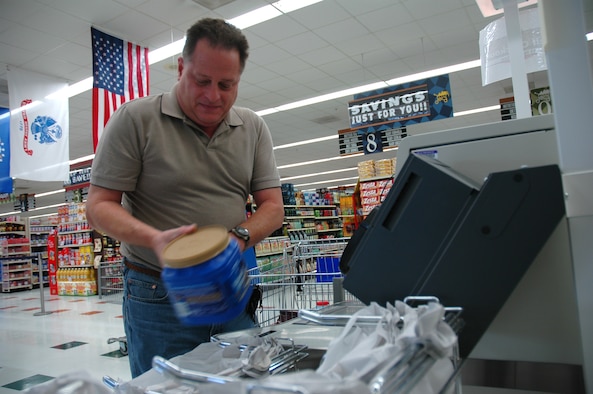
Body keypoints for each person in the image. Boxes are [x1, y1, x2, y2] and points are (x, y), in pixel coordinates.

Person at [85, 18, 285, 378]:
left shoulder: (253, 127)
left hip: (229, 287)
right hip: (156, 292)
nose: (213, 96)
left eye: (227, 85)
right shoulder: (135, 120)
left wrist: (238, 238)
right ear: (180, 68)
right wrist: (153, 239)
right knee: (164, 385)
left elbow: (273, 207)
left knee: (241, 382)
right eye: (201, 81)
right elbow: (98, 207)